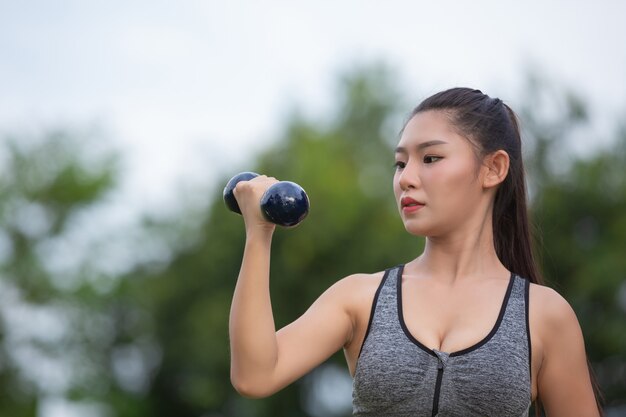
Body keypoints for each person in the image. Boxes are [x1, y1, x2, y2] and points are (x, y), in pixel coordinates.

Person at [228, 88, 601, 416]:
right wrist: (259, 234)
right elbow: (255, 376)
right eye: (400, 162)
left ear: (494, 168)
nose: (405, 177)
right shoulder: (361, 297)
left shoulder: (545, 316)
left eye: (431, 158)